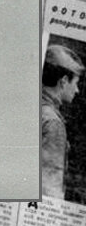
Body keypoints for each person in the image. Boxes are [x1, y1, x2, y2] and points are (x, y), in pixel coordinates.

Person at [42, 44, 83, 199]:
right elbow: (49, 187)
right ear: (64, 81)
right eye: (76, 83)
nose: (77, 90)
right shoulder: (53, 124)